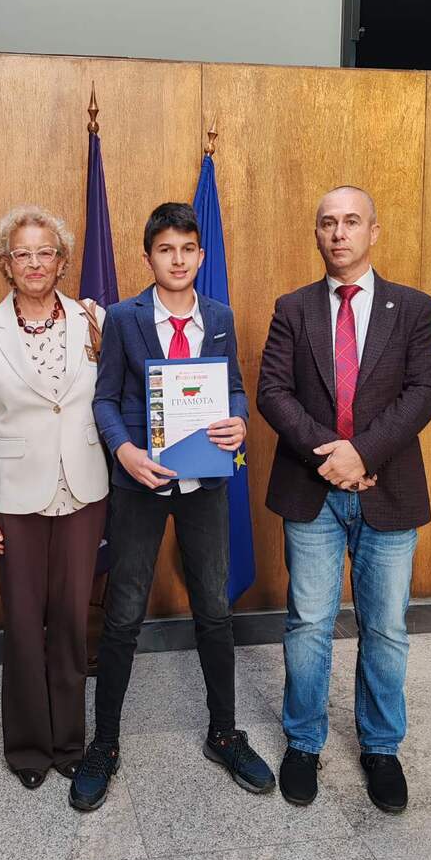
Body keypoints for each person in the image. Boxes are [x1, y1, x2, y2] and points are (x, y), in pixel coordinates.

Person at [69, 202, 275, 812]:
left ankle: (224, 733)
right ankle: (105, 744)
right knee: (124, 612)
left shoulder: (219, 316)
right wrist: (125, 451)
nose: (178, 260)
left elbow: (234, 387)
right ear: (149, 257)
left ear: (200, 256)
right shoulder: (125, 318)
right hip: (141, 482)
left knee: (213, 608)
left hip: (205, 484)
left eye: (187, 249)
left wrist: (239, 420)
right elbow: (105, 399)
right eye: (166, 250)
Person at [256, 185, 431, 814]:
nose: (339, 233)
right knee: (309, 623)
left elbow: (425, 391)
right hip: (312, 492)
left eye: (352, 221)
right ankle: (303, 742)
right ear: (317, 233)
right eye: (328, 223)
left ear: (373, 231)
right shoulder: (292, 308)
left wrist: (362, 453)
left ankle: (381, 748)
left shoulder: (413, 307)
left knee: (385, 627)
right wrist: (330, 457)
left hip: (389, 489)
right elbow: (272, 393)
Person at [0, 207, 109, 789]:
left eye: (44, 252)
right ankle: (27, 747)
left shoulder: (93, 319)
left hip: (83, 485)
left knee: (72, 618)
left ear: (61, 260)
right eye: (21, 253)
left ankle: (69, 742)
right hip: (13, 491)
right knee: (23, 620)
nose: (33, 263)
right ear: (4, 264)